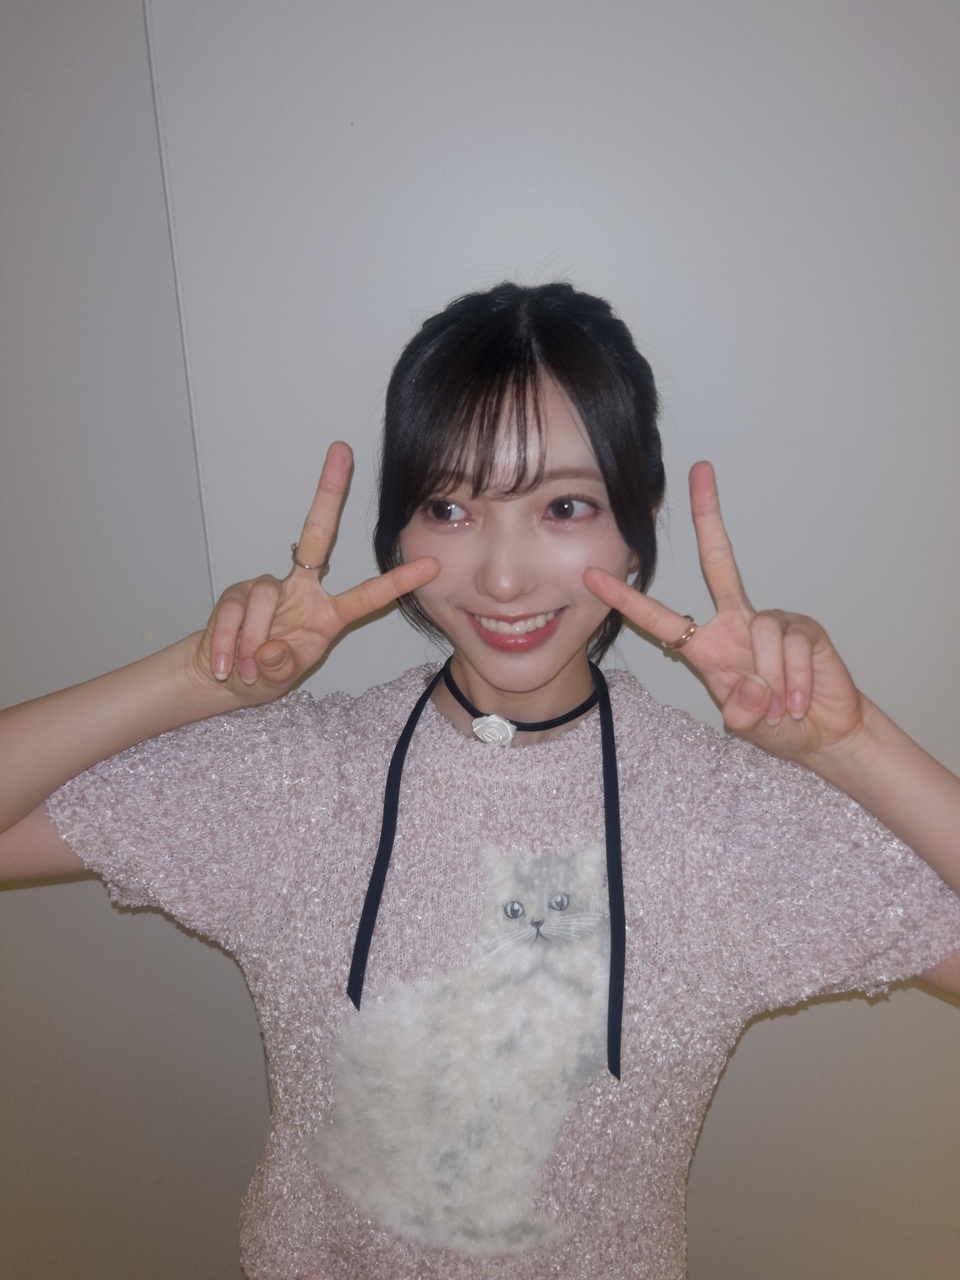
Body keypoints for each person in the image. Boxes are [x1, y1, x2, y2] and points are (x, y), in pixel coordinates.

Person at [1, 281, 959, 1279]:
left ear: (638, 526)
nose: (503, 577)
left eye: (565, 506)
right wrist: (197, 680)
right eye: (451, 506)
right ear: (398, 531)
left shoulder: (721, 823)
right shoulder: (299, 783)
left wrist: (852, 748)